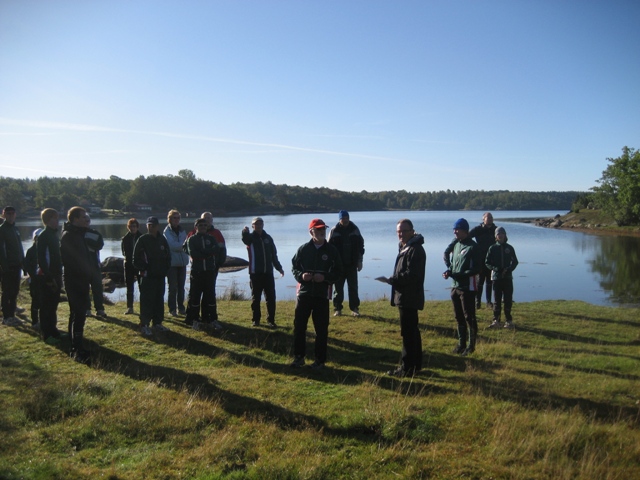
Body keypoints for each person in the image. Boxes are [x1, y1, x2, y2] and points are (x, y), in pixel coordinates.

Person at [290, 218, 343, 370]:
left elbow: (339, 272)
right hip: (304, 294)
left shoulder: (332, 250)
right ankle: (299, 358)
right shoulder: (303, 249)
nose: (321, 232)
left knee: (321, 330)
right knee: (299, 327)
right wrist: (301, 276)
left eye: (323, 229)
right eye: (318, 229)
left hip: (321, 295)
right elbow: (294, 267)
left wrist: (325, 277)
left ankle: (319, 361)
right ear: (311, 232)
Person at [378, 219, 426, 377]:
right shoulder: (405, 247)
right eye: (398, 231)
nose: (401, 234)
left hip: (409, 296)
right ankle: (415, 365)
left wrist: (392, 280)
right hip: (404, 295)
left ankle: (407, 368)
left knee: (408, 332)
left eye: (404, 231)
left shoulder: (415, 249)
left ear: (412, 231)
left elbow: (412, 275)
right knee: (412, 331)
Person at [60, 206, 94, 364]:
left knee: (79, 314)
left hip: (82, 279)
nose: (86, 219)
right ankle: (75, 350)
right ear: (75, 219)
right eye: (83, 217)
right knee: (77, 313)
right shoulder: (68, 236)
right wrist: (82, 273)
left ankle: (78, 346)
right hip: (74, 280)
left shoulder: (78, 234)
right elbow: (70, 261)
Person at [443, 218, 481, 356]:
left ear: (465, 230)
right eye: (454, 229)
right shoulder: (456, 244)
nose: (455, 232)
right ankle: (461, 344)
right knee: (458, 316)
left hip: (468, 287)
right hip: (455, 286)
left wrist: (460, 275)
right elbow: (453, 263)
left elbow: (477, 268)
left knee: (469, 317)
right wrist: (449, 271)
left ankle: (471, 346)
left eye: (457, 229)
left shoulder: (473, 247)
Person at [242, 217, 285, 328]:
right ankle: (256, 320)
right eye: (256, 224)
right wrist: (244, 232)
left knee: (271, 298)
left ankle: (271, 320)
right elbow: (245, 240)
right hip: (255, 273)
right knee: (256, 298)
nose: (259, 225)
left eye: (260, 223)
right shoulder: (250, 238)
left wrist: (279, 268)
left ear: (263, 225)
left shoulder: (268, 238)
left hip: (268, 273)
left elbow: (273, 255)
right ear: (253, 226)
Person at [133, 216, 171, 336]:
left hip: (160, 276)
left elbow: (168, 256)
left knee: (159, 299)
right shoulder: (142, 239)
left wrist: (165, 270)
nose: (151, 227)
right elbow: (135, 259)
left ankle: (157, 323)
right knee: (147, 300)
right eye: (149, 225)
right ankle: (144, 324)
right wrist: (145, 268)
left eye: (153, 225)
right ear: (146, 226)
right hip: (147, 277)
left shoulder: (162, 239)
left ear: (157, 226)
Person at [187, 211, 227, 323]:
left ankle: (208, 317)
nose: (205, 223)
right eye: (204, 220)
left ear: (212, 220)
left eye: (208, 219)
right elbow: (189, 250)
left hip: (211, 268)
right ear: (197, 225)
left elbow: (219, 249)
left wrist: (218, 263)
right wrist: (207, 253)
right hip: (197, 269)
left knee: (209, 294)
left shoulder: (215, 234)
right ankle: (192, 318)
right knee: (194, 294)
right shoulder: (192, 236)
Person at [328, 210, 365, 317]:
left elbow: (361, 247)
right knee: (338, 289)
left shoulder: (355, 229)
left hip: (352, 265)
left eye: (346, 218)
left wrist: (359, 261)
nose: (345, 220)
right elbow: (328, 248)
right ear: (339, 219)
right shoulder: (334, 231)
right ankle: (338, 309)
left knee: (353, 288)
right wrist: (330, 265)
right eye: (343, 218)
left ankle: (355, 309)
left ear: (349, 218)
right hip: (338, 266)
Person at [37, 208, 64, 344]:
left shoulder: (54, 234)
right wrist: (48, 276)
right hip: (48, 275)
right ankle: (46, 334)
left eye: (57, 218)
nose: (57, 220)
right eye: (54, 218)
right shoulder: (44, 236)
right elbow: (42, 258)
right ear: (48, 220)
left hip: (57, 273)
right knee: (46, 306)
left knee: (54, 304)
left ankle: (53, 330)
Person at [486, 226, 519, 328]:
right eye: (498, 234)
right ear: (496, 236)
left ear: (505, 235)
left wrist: (509, 269)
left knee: (508, 300)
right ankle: (496, 320)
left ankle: (508, 320)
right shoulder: (492, 248)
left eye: (502, 233)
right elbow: (487, 262)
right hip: (496, 277)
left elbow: (515, 261)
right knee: (497, 300)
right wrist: (496, 268)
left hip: (507, 277)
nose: (500, 235)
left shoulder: (509, 248)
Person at [0, 206, 25, 326]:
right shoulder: (2, 229)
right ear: (4, 215)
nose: (10, 215)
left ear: (15, 215)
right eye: (8, 213)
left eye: (12, 213)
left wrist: (23, 262)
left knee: (15, 291)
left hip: (17, 264)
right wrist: (4, 267)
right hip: (8, 266)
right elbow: (1, 250)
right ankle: (6, 317)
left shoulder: (15, 229)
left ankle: (12, 314)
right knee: (7, 292)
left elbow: (20, 247)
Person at [469, 212, 498, 309]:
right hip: (480, 259)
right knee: (479, 282)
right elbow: (467, 237)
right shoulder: (478, 229)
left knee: (490, 281)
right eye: (488, 217)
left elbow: (503, 240)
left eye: (491, 217)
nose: (490, 219)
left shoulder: (495, 229)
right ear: (483, 219)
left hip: (491, 260)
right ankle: (477, 302)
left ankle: (489, 302)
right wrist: (473, 248)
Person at [164, 209, 189, 316]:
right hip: (172, 264)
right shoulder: (166, 232)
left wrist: (182, 246)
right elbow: (172, 246)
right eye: (174, 218)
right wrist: (183, 246)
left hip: (182, 263)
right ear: (169, 219)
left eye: (178, 218)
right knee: (172, 288)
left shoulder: (182, 231)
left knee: (181, 287)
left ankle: (181, 308)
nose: (177, 220)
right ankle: (172, 310)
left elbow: (186, 244)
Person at [84, 213, 106, 318]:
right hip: (82, 265)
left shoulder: (95, 233)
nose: (86, 223)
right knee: (84, 288)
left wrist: (87, 243)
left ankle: (99, 309)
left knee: (97, 288)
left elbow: (100, 245)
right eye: (84, 220)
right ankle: (87, 309)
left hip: (94, 264)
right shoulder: (75, 234)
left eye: (87, 221)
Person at [121, 218, 142, 315]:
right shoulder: (125, 238)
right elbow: (123, 252)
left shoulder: (142, 237)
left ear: (137, 227)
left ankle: (144, 306)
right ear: (128, 227)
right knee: (129, 287)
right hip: (128, 265)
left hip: (140, 265)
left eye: (134, 226)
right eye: (131, 226)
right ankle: (130, 307)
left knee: (142, 287)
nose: (132, 228)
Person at [23, 228, 43, 329]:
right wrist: (32, 276)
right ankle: (35, 322)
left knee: (44, 301)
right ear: (34, 239)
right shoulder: (31, 251)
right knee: (35, 301)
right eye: (37, 238)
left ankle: (44, 321)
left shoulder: (45, 250)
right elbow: (27, 265)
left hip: (43, 279)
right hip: (34, 280)